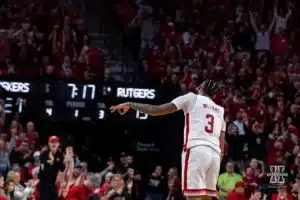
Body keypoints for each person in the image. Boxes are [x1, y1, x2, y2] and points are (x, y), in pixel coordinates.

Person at [110, 79, 226, 200]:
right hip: (215, 155)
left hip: (197, 149)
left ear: (201, 88)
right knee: (206, 198)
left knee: (193, 197)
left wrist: (131, 104)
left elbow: (156, 110)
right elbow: (222, 147)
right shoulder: (220, 110)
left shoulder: (192, 97)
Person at [38, 135, 68, 200]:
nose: (54, 144)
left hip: (52, 183)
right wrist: (52, 161)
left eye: (56, 142)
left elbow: (62, 168)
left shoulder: (59, 154)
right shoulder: (44, 154)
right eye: (52, 142)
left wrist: (61, 161)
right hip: (44, 183)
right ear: (49, 144)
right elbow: (44, 170)